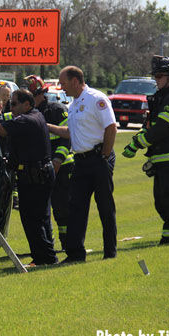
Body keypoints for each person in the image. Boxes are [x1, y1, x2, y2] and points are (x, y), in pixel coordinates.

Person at [0, 89, 58, 266]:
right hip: (39, 173)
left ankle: (45, 259)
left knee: (32, 219)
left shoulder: (26, 120)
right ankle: (45, 257)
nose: (9, 107)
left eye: (13, 103)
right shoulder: (37, 115)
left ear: (26, 104)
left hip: (35, 176)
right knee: (38, 218)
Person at [122, 56, 169, 244]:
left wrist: (136, 144)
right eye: (155, 77)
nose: (157, 80)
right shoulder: (164, 97)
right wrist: (141, 134)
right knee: (162, 202)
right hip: (163, 159)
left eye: (160, 76)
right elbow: (152, 125)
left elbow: (162, 128)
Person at [47, 66, 117, 263]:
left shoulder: (96, 98)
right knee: (76, 208)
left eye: (63, 83)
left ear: (75, 81)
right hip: (81, 161)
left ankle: (110, 252)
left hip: (98, 158)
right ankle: (75, 254)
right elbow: (71, 132)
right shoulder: (75, 103)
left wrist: (104, 157)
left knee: (105, 206)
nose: (61, 88)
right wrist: (47, 127)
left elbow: (111, 128)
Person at [26, 75, 74, 250]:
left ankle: (69, 245)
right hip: (39, 169)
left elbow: (68, 137)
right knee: (40, 211)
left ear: (41, 93)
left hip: (62, 167)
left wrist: (58, 160)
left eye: (33, 95)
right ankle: (48, 246)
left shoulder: (56, 110)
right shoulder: (27, 113)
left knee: (62, 209)